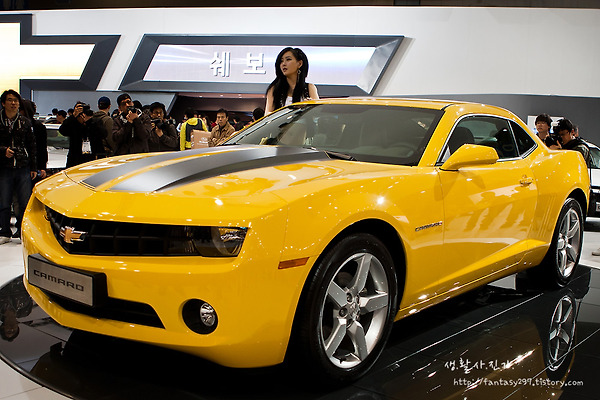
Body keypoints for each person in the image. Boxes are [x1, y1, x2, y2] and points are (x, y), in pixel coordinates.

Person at [0, 89, 37, 245]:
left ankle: (22, 231)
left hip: (23, 166)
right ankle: (4, 231)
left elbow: (32, 145)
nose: (14, 103)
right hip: (4, 167)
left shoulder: (25, 122)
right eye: (10, 100)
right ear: (3, 103)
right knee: (4, 201)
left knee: (24, 202)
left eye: (16, 100)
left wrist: (34, 167)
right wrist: (3, 150)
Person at [265, 47, 319, 114]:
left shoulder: (309, 88)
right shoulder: (274, 89)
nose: (283, 64)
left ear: (300, 64)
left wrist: (309, 107)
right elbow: (267, 114)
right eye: (281, 61)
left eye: (288, 59)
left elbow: (317, 113)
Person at [60, 101, 104, 167]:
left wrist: (88, 121)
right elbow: (62, 131)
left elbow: (102, 134)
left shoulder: (94, 122)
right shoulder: (72, 123)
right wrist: (73, 116)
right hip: (75, 158)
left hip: (91, 158)